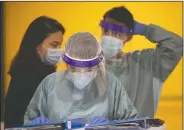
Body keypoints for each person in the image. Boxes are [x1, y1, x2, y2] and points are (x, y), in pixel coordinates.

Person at [24, 32, 138, 125]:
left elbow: (133, 123)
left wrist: (111, 127)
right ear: (67, 64)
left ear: (98, 65)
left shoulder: (111, 84)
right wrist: (35, 125)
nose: (82, 75)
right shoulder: (50, 83)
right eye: (75, 69)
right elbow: (29, 121)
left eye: (88, 69)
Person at [99, 6, 183, 118]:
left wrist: (146, 30)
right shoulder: (88, 68)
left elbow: (177, 45)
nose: (109, 36)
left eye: (117, 32)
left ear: (128, 37)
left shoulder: (146, 64)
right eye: (106, 31)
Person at [5, 16, 65, 128]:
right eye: (54, 45)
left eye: (60, 45)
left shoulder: (46, 73)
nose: (59, 50)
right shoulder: (25, 77)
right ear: (37, 46)